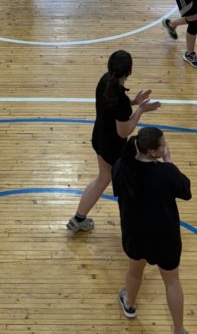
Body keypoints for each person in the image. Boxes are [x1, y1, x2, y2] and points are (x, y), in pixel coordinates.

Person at [112, 127, 191, 334]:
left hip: (135, 233)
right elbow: (186, 191)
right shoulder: (166, 172)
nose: (166, 147)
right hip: (165, 236)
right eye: (163, 145)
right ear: (153, 152)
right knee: (172, 281)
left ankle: (130, 304)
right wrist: (169, 163)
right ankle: (179, 333)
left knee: (134, 271)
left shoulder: (121, 166)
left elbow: (118, 192)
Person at [66, 49, 160, 234]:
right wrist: (140, 110)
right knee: (131, 181)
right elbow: (124, 131)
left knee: (102, 179)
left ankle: (78, 219)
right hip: (112, 148)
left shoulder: (104, 81)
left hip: (99, 138)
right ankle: (141, 223)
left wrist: (133, 101)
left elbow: (114, 106)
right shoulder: (120, 100)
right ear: (129, 71)